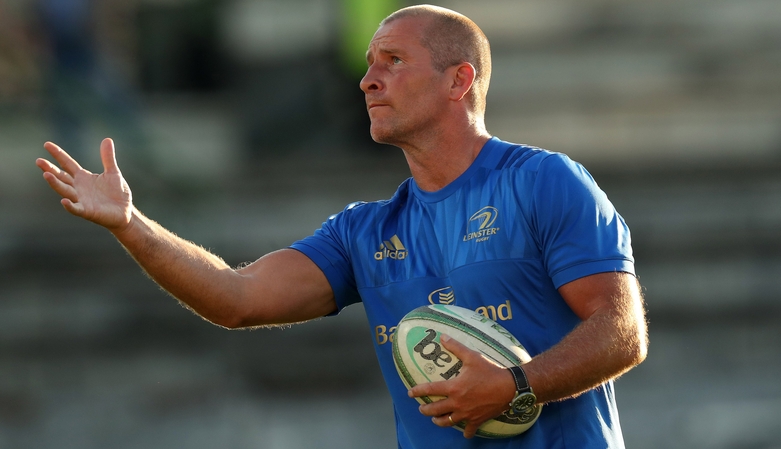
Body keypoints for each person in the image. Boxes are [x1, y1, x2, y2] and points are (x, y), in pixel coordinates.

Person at [36, 4, 648, 448]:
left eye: (393, 61)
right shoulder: (363, 232)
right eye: (367, 63)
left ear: (459, 80)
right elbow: (237, 299)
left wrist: (516, 384)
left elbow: (623, 332)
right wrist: (129, 223)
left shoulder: (543, 181)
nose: (367, 79)